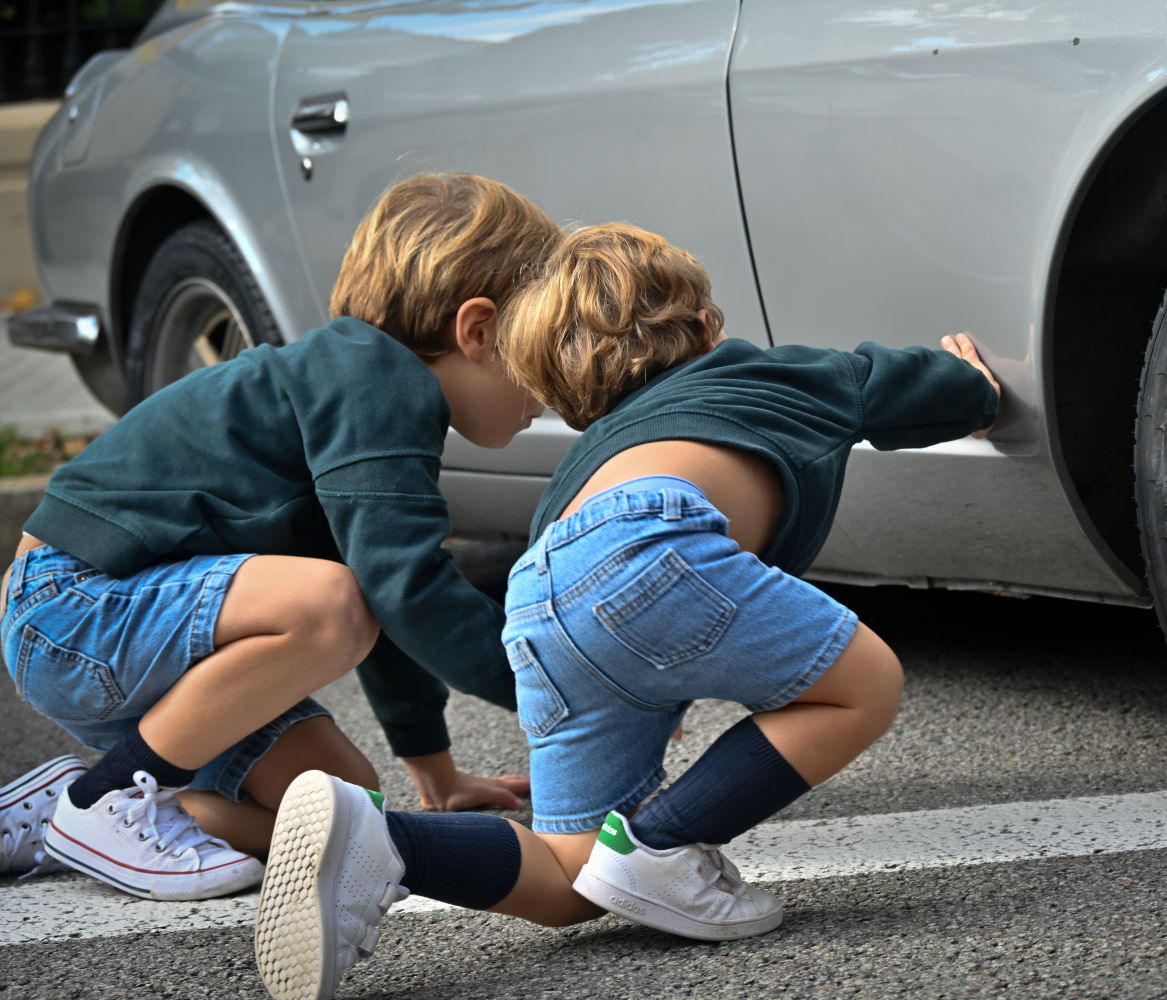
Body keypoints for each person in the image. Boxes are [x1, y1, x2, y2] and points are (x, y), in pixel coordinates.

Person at [252, 221, 1002, 1000]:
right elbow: (889, 382)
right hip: (653, 544)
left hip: (540, 595)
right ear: (709, 325)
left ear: (570, 401)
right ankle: (666, 842)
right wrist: (975, 389)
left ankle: (380, 840)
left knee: (579, 876)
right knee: (863, 683)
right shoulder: (766, 373)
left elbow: (592, 591)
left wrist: (643, 666)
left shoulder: (592, 453)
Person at [0, 173, 560, 900]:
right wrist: (559, 693)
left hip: (123, 638)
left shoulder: (362, 395)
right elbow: (403, 590)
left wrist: (438, 776)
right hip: (74, 606)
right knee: (329, 604)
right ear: (477, 330)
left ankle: (73, 813)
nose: (549, 387)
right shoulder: (375, 378)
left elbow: (387, 599)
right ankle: (103, 802)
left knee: (341, 801)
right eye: (542, 350)